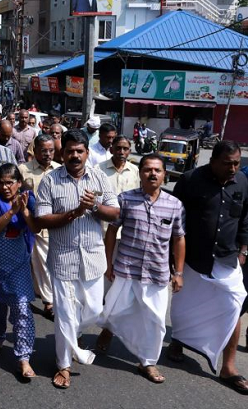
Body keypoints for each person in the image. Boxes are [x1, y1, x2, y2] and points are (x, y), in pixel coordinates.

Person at [35, 129, 119, 389]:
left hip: (93, 258)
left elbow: (114, 213)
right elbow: (41, 218)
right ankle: (64, 365)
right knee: (64, 316)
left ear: (87, 153)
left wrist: (93, 207)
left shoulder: (99, 178)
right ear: (63, 153)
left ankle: (73, 334)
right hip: (62, 259)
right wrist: (74, 212)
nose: (74, 155)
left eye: (79, 151)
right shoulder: (50, 181)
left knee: (94, 310)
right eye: (69, 150)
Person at [97, 154, 186, 384]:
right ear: (140, 173)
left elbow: (178, 239)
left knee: (156, 321)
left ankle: (148, 362)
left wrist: (178, 272)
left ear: (165, 174)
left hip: (157, 272)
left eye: (158, 170)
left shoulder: (174, 205)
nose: (153, 174)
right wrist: (108, 262)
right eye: (148, 170)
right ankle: (108, 331)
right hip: (127, 267)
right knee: (114, 310)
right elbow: (111, 231)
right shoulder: (125, 199)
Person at [168, 141, 248, 394]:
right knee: (185, 306)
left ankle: (229, 367)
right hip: (193, 258)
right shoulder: (191, 180)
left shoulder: (243, 183)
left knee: (234, 306)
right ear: (213, 160)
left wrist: (244, 250)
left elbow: (245, 218)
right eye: (228, 163)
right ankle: (177, 343)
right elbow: (174, 216)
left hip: (227, 259)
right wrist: (173, 255)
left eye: (236, 163)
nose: (233, 168)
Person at [0, 163, 39, 379]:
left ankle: (23, 358)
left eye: (10, 183)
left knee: (23, 308)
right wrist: (11, 212)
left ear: (18, 183)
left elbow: (36, 228)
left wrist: (23, 211)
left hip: (18, 266)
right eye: (2, 183)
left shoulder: (28, 197)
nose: (6, 187)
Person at [18, 134, 61, 320]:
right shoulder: (23, 170)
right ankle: (47, 300)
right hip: (30, 225)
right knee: (38, 263)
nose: (48, 154)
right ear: (34, 151)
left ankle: (48, 298)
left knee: (49, 264)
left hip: (55, 224)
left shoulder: (60, 170)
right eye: (44, 151)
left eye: (51, 151)